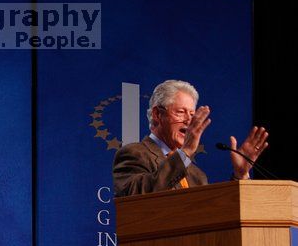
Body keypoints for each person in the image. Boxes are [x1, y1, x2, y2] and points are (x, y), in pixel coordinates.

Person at [112, 80, 268, 197]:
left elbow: (218, 214)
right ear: (157, 114)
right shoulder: (134, 153)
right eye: (181, 112)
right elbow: (136, 196)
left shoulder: (196, 175)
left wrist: (239, 176)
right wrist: (185, 152)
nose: (189, 121)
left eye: (192, 115)